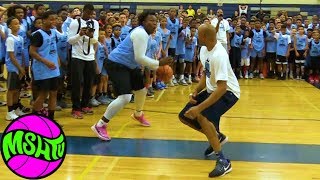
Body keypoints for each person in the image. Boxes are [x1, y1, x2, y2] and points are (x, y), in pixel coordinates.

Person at [91, 11, 173, 141]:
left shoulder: (148, 35)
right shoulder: (140, 33)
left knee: (141, 91)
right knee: (125, 97)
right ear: (143, 22)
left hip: (130, 65)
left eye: (155, 20)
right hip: (117, 64)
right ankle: (100, 125)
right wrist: (158, 63)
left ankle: (138, 114)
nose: (154, 23)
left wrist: (157, 64)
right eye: (151, 20)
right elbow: (139, 58)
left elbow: (142, 56)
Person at [178, 24, 240, 178]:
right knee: (184, 115)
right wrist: (196, 91)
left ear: (205, 37)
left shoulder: (219, 55)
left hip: (229, 93)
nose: (196, 37)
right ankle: (217, 137)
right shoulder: (204, 49)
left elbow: (222, 88)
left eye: (198, 34)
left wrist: (199, 108)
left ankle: (223, 161)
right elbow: (207, 74)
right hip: (212, 89)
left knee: (203, 117)